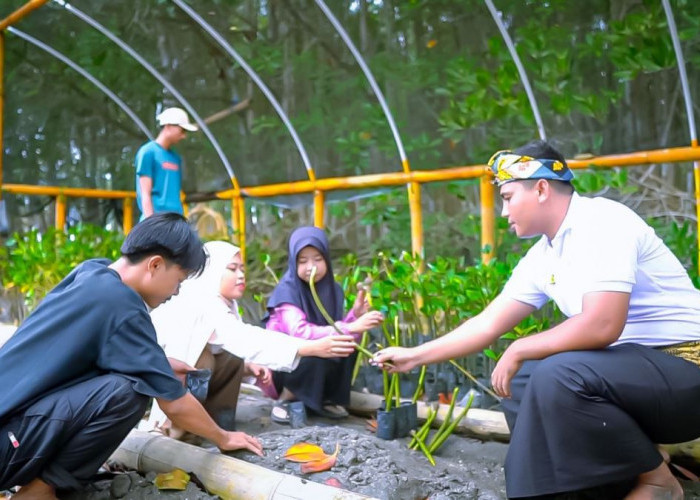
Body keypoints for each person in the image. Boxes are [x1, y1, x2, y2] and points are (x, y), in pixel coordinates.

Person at [374, 140, 700, 500]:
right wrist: (413, 355)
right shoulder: (543, 256)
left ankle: (656, 480)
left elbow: (603, 324)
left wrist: (520, 346)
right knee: (522, 383)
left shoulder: (602, 221)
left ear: (542, 188)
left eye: (508, 197)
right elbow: (487, 323)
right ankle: (607, 481)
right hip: (636, 381)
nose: (502, 211)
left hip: (686, 369)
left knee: (554, 374)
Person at [0, 213, 263, 500]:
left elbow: (86, 352)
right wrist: (223, 437)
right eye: (179, 279)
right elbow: (173, 404)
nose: (176, 291)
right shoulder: (122, 306)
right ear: (155, 264)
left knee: (131, 380)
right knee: (130, 392)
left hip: (9, 427)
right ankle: (39, 491)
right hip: (6, 443)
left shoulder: (92, 273)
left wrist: (158, 362)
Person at [146, 240, 358, 435]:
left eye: (242, 269)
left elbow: (233, 341)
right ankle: (178, 431)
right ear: (211, 272)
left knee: (232, 358)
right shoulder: (201, 301)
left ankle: (218, 424)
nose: (240, 275)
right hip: (162, 380)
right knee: (203, 362)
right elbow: (241, 337)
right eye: (231, 269)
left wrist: (248, 365)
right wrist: (310, 348)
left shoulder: (225, 303)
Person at [264, 226, 384, 423]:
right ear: (293, 263)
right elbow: (299, 333)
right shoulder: (287, 291)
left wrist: (355, 316)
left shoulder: (333, 290)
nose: (312, 266)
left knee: (346, 346)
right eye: (303, 261)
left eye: (318, 259)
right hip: (285, 366)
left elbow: (338, 331)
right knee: (315, 349)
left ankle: (326, 398)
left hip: (318, 353)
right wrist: (350, 327)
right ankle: (286, 398)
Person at [135, 107, 197, 220]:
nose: (184, 136)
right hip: (156, 220)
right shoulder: (148, 152)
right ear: (168, 126)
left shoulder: (176, 158)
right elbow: (145, 193)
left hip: (175, 220)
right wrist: (150, 223)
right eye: (182, 130)